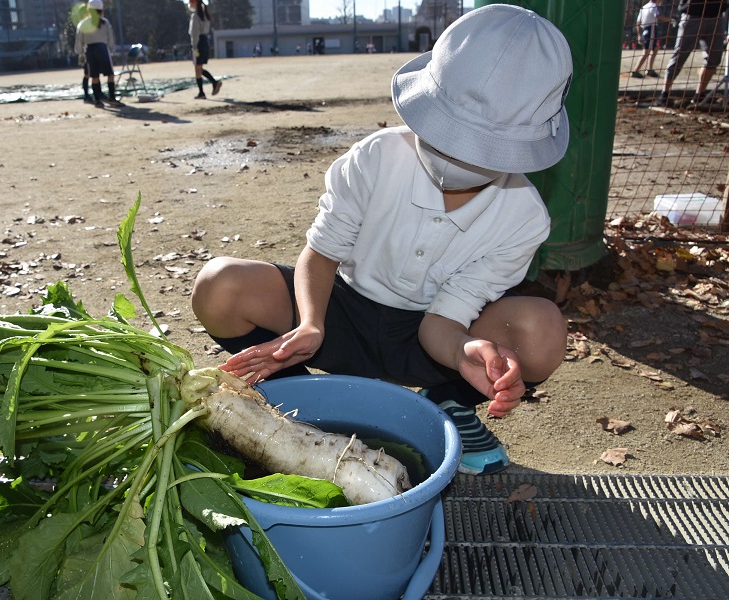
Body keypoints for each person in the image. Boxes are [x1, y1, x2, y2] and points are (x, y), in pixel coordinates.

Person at [191, 4, 571, 476]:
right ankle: (296, 410)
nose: (454, 156)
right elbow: (323, 253)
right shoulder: (375, 157)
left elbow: (445, 320)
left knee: (543, 331)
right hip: (340, 310)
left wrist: (465, 353)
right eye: (443, 133)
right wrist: (310, 323)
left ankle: (451, 401)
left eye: (478, 148)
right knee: (220, 285)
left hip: (429, 337)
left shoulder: (523, 217)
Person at [655, 0, 728, 107]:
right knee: (680, 55)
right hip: (692, 14)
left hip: (716, 16)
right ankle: (664, 94)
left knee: (714, 58)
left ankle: (699, 95)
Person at [74, 0, 121, 108]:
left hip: (90, 50)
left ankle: (97, 100)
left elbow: (79, 39)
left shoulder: (83, 24)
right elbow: (110, 38)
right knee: (110, 75)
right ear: (101, 10)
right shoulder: (105, 22)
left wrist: (80, 53)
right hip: (102, 49)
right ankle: (112, 98)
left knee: (94, 76)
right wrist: (111, 49)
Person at [188, 0, 222, 99]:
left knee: (197, 69)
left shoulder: (195, 16)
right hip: (205, 41)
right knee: (199, 68)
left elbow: (194, 34)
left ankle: (203, 91)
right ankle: (213, 83)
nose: (189, 4)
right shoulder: (205, 15)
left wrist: (194, 47)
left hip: (199, 43)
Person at [631, 0, 673, 78]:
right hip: (651, 29)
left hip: (646, 30)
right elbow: (658, 16)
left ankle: (649, 69)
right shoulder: (654, 6)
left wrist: (639, 34)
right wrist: (669, 20)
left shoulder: (644, 7)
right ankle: (635, 71)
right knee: (646, 51)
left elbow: (638, 22)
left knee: (655, 49)